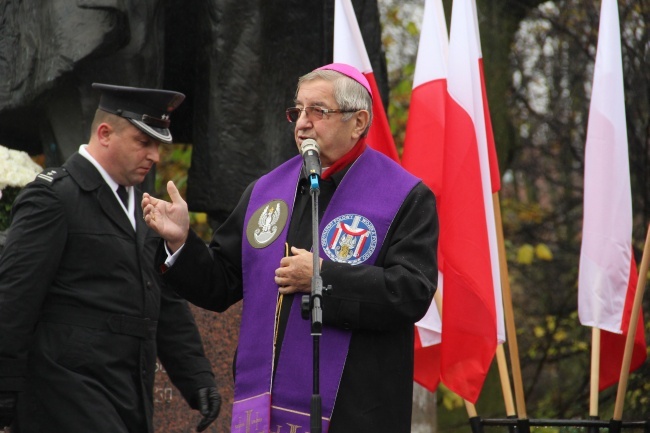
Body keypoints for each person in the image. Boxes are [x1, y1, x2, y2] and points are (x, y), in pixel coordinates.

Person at [142, 63, 438, 433]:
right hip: (267, 409)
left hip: (355, 411)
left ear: (359, 122)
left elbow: (411, 292)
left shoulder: (404, 196)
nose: (302, 123)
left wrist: (322, 277)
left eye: (318, 111)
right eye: (297, 111)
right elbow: (222, 283)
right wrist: (181, 242)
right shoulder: (265, 192)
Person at [0, 84, 221, 433]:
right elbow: (14, 298)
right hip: (65, 394)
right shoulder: (54, 197)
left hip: (127, 394)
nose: (155, 157)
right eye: (143, 142)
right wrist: (5, 391)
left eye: (158, 145)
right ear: (105, 133)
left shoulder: (143, 207)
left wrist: (196, 377)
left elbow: (162, 300)